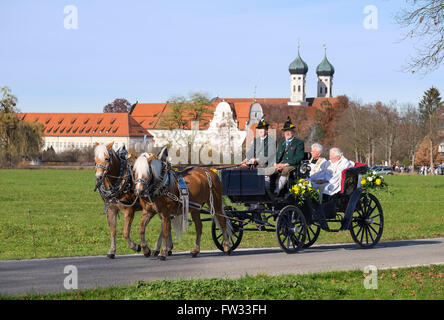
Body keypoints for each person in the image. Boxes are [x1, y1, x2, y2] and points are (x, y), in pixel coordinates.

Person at [273, 117, 304, 194]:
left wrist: (286, 164)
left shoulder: (298, 143)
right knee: (268, 170)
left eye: (289, 131)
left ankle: (277, 191)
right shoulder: (282, 142)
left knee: (286, 170)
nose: (287, 133)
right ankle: (266, 190)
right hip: (281, 164)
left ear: (293, 132)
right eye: (286, 131)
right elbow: (277, 155)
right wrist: (275, 164)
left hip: (292, 165)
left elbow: (299, 157)